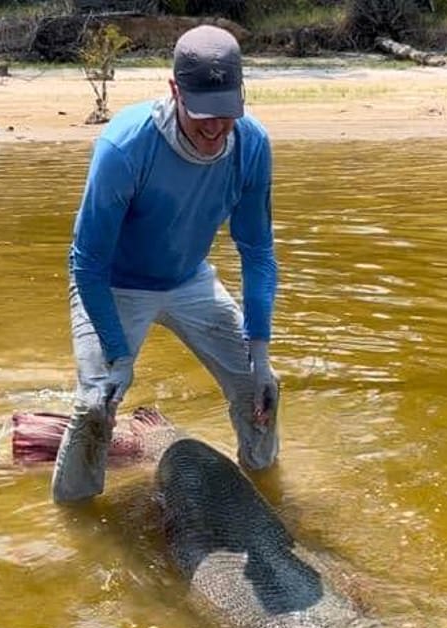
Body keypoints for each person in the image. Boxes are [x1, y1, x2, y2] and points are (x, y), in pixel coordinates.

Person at [51, 24, 280, 503]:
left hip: (189, 279)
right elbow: (86, 261)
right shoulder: (125, 147)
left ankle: (266, 492)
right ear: (175, 90)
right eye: (202, 116)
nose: (216, 129)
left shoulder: (253, 145)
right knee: (95, 405)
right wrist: (116, 356)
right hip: (113, 283)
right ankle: (74, 517)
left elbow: (257, 250)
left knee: (259, 388)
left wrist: (259, 355)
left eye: (227, 114)